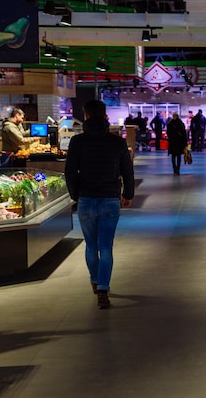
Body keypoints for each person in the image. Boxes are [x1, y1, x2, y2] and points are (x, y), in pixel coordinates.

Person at [64, 100, 134, 309]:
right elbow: (127, 171)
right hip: (110, 199)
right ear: (105, 116)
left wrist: (76, 195)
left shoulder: (77, 142)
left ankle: (95, 280)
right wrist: (127, 193)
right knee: (106, 246)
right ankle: (103, 288)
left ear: (85, 116)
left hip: (86, 199)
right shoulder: (117, 143)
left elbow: (70, 172)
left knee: (91, 245)